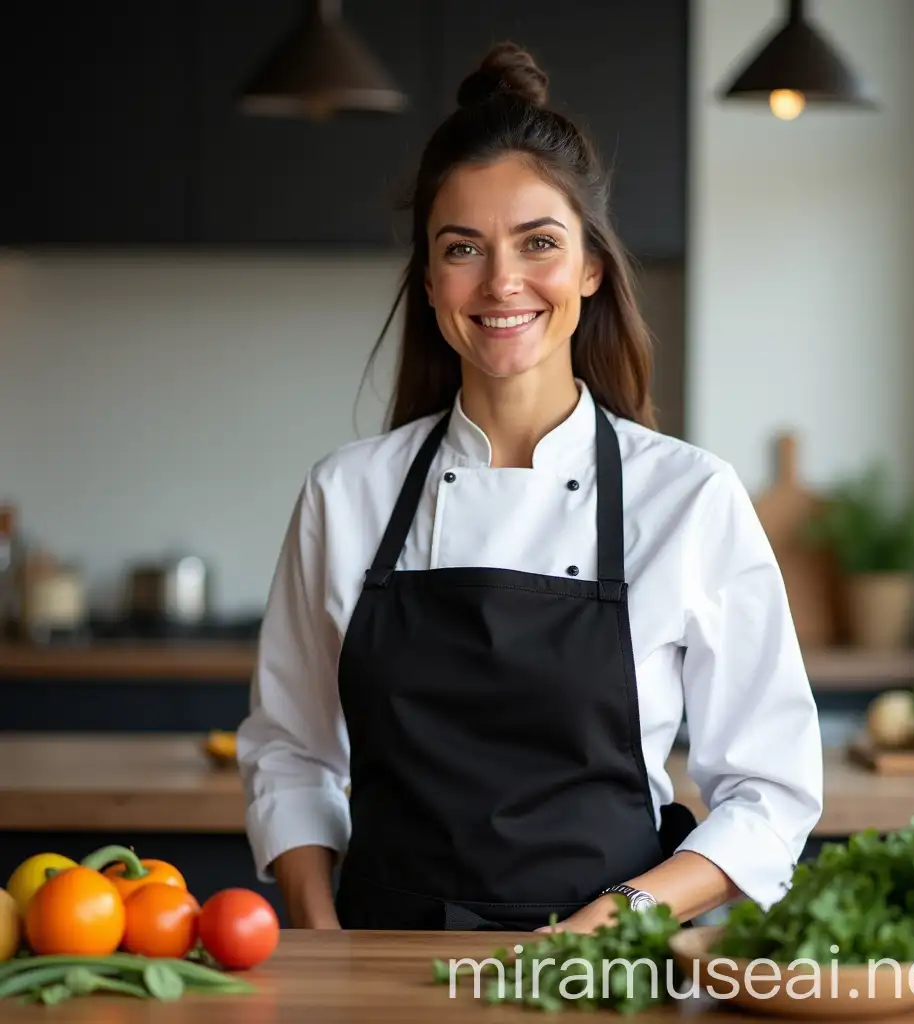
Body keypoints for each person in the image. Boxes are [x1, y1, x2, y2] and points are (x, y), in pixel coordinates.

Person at [236, 42, 823, 934]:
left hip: (607, 973)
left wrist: (606, 925)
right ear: (431, 281)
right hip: (385, 969)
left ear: (590, 267)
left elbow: (772, 794)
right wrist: (327, 944)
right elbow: (289, 754)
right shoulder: (344, 495)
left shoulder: (689, 499)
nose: (501, 281)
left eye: (538, 243)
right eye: (462, 248)